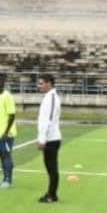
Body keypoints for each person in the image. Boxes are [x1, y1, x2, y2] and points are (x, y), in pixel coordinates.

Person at [0, 72, 17, 189]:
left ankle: (8, 181)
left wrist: (6, 132)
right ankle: (4, 178)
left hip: (7, 133)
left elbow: (12, 115)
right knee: (1, 155)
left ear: (2, 82)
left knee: (6, 155)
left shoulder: (7, 96)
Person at [36, 74, 61, 204]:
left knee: (52, 168)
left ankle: (52, 195)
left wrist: (42, 138)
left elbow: (49, 120)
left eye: (41, 83)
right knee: (50, 167)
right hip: (50, 138)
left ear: (49, 83)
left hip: (51, 138)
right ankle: (51, 193)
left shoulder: (51, 98)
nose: (39, 86)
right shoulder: (49, 97)